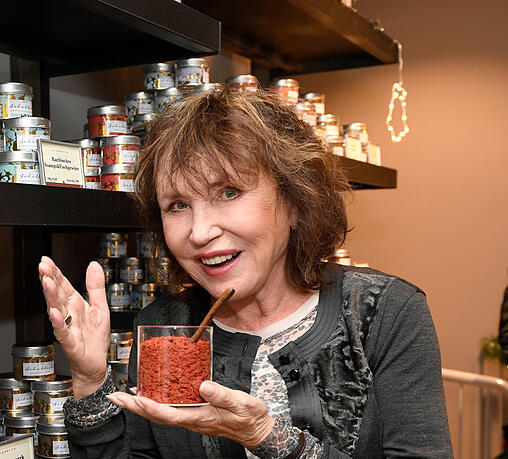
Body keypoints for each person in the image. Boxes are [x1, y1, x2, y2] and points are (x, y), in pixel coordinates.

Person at [38, 88, 452, 458]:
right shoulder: (164, 327)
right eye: (178, 205)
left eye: (229, 192)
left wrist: (270, 439)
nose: (200, 232)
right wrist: (91, 382)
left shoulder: (385, 314)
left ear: (295, 201)